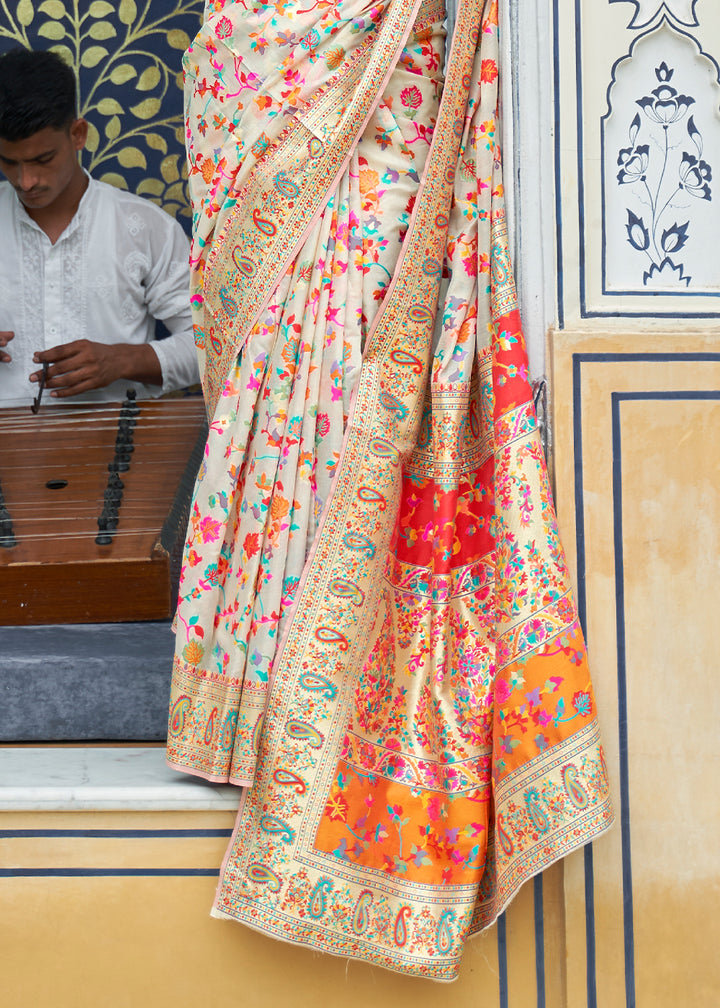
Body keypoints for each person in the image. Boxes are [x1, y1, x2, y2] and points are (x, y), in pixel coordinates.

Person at [166, 0, 613, 981]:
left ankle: (294, 725)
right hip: (332, 205)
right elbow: (235, 62)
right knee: (292, 418)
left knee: (333, 425)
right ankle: (259, 723)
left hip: (380, 220)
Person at [0, 47, 198, 406]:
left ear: (78, 134)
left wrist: (122, 360)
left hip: (121, 454)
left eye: (42, 160)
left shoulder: (144, 228)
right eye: (8, 162)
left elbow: (211, 345)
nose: (26, 181)